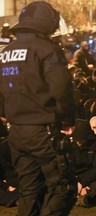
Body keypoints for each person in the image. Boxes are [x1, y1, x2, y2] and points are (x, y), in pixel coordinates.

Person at [0, 2, 76, 215]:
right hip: (44, 130)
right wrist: (67, 120)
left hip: (16, 132)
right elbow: (61, 88)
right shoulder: (47, 49)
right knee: (63, 187)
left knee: (30, 191)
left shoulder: (8, 51)